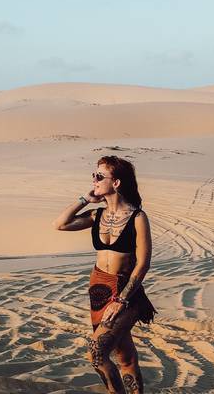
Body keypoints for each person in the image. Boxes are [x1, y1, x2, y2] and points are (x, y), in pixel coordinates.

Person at [52, 155, 156, 394]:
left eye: (99, 176)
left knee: (97, 352)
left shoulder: (138, 218)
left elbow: (143, 264)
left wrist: (122, 300)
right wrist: (85, 199)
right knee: (125, 355)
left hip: (125, 292)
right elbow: (60, 224)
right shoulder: (97, 215)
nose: (94, 180)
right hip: (98, 289)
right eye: (94, 175)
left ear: (116, 182)